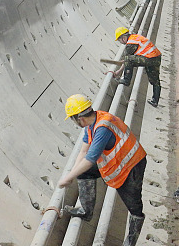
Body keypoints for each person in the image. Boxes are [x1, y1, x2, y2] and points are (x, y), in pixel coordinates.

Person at [59, 94, 147, 246]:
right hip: (117, 162)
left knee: (134, 207)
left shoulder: (102, 128)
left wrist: (68, 178)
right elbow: (83, 152)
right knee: (83, 172)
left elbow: (89, 160)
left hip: (132, 165)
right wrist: (72, 173)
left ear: (79, 118)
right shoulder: (91, 124)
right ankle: (86, 211)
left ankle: (130, 241)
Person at [114, 27, 163, 107]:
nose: (121, 43)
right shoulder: (135, 37)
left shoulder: (130, 43)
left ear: (123, 38)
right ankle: (155, 101)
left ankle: (126, 80)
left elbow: (127, 60)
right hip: (156, 57)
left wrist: (118, 72)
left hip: (149, 58)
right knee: (155, 80)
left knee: (128, 59)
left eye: (119, 40)